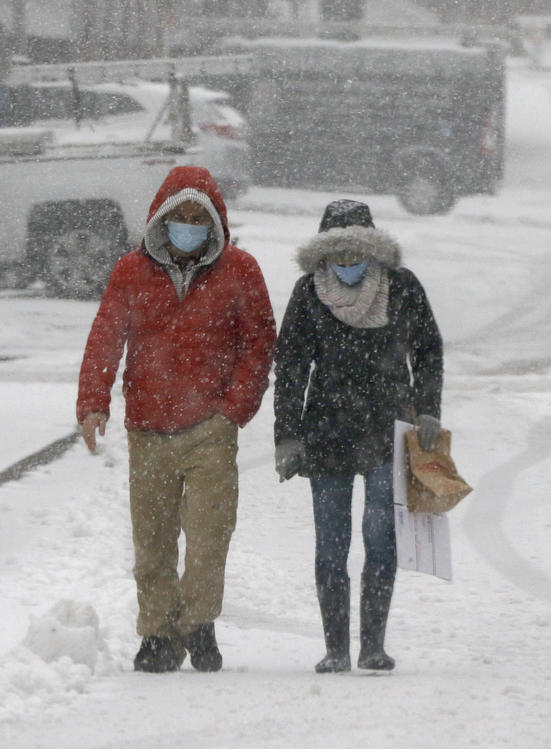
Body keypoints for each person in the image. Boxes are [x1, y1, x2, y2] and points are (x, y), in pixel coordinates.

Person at [76, 165, 276, 673]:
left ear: (214, 223)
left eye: (198, 217)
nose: (189, 225)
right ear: (162, 219)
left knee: (209, 534)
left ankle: (199, 620)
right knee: (153, 541)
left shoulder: (240, 271)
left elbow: (259, 342)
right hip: (148, 428)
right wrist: (93, 401)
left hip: (209, 429)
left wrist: (233, 409)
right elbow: (106, 337)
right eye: (180, 215)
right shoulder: (130, 271)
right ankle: (159, 634)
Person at [273, 200, 443, 673]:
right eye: (338, 254)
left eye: (357, 252)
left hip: (390, 430)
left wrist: (429, 410)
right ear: (322, 255)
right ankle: (335, 649)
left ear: (374, 249)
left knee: (381, 536)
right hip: (326, 431)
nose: (348, 263)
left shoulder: (403, 287)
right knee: (331, 542)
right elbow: (289, 365)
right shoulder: (309, 292)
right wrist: (288, 437)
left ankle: (372, 645)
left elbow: (428, 349)